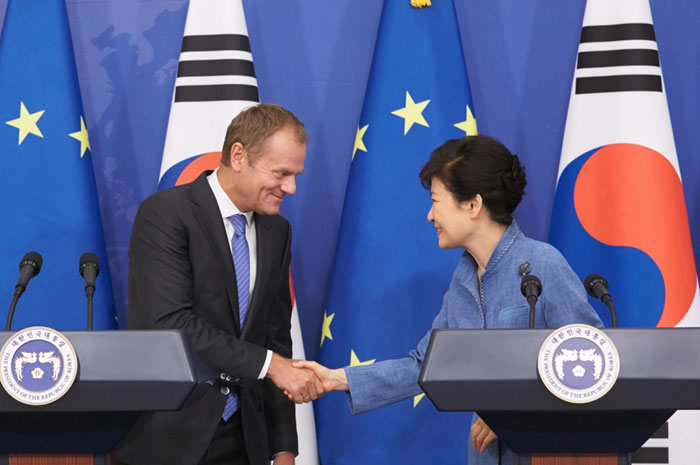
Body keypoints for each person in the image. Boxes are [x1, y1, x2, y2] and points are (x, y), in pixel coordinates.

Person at [294, 135, 603, 465]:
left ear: (472, 205)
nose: (430, 216)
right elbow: (425, 365)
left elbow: (590, 366)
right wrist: (334, 378)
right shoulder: (464, 279)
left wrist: (517, 413)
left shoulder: (543, 264)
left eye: (435, 201)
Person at [116, 104, 323, 465]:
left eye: (295, 175)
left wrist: (284, 448)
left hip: (246, 441)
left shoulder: (277, 231)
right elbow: (169, 323)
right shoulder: (166, 214)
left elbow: (275, 337)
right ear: (239, 155)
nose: (290, 187)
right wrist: (272, 366)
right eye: (281, 173)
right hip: (172, 435)